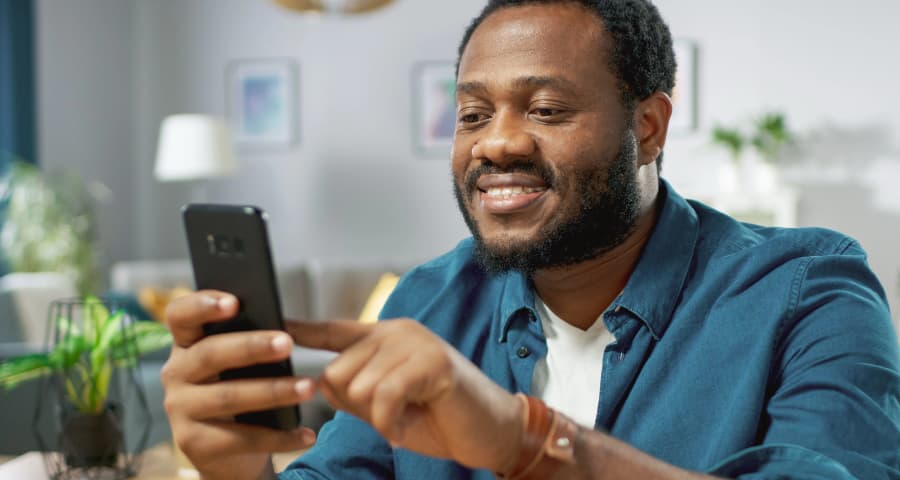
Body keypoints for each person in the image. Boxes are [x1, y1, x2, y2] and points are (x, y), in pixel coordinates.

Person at [161, 0, 900, 478]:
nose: (496, 144)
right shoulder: (428, 300)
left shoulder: (809, 289)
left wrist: (526, 443)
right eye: (474, 115)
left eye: (545, 109)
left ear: (647, 127)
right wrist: (239, 469)